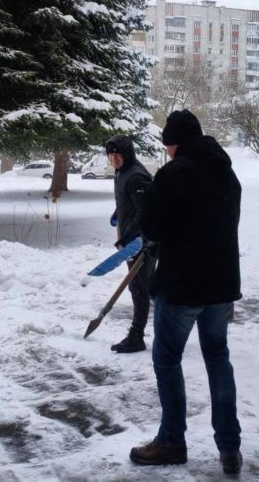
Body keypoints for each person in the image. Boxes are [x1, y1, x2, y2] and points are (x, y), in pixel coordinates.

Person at [131, 109, 243, 477]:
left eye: (167, 146)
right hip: (222, 284)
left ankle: (172, 441)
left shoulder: (174, 173)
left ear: (174, 143)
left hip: (182, 285)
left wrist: (147, 202)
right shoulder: (227, 172)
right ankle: (230, 447)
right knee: (217, 358)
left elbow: (153, 228)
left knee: (167, 359)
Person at [105, 135, 156, 353]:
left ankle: (136, 336)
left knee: (139, 288)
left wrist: (127, 238)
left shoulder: (135, 175)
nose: (114, 157)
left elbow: (146, 211)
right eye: (111, 153)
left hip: (140, 241)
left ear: (127, 154)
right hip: (136, 238)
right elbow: (133, 202)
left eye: (118, 153)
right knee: (151, 287)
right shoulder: (122, 172)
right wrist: (119, 211)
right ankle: (179, 316)